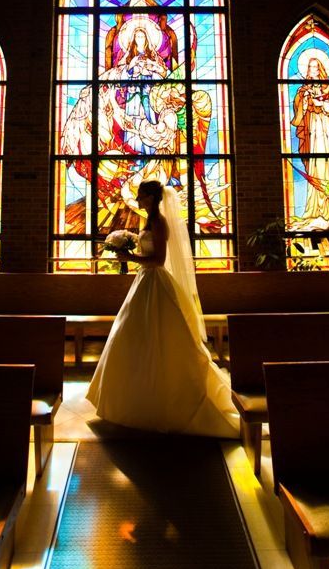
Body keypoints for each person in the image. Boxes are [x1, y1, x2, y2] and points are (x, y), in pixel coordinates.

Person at [86, 180, 240, 437]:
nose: (137, 198)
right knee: (132, 336)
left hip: (155, 282)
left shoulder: (159, 222)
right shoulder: (149, 221)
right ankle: (133, 397)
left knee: (160, 338)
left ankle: (162, 400)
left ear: (152, 197)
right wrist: (130, 243)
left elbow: (158, 260)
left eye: (141, 195)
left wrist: (130, 258)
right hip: (144, 281)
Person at [291, 55, 329, 223]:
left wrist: (327, 106)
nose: (313, 70)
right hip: (313, 132)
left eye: (316, 67)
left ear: (322, 69)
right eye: (310, 67)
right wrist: (306, 102)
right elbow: (299, 114)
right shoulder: (302, 90)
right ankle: (316, 208)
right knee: (316, 165)